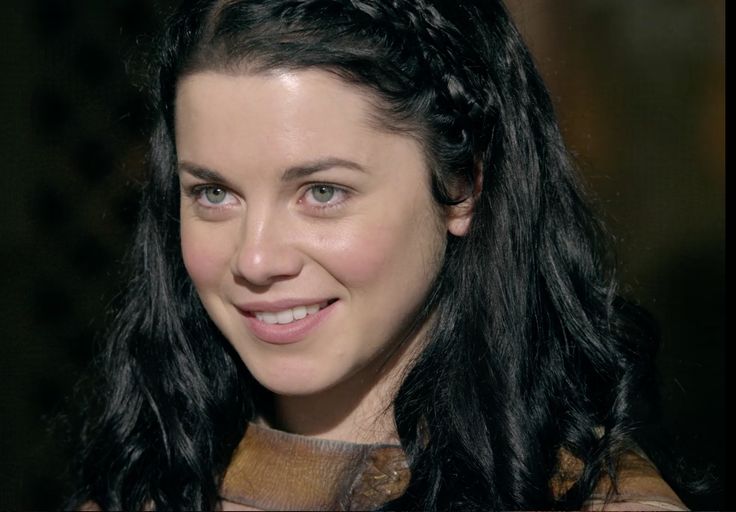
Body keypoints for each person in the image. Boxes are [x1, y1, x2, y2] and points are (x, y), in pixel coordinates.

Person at [65, 0, 689, 510]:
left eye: (322, 192)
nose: (255, 260)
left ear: (462, 186)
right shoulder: (139, 493)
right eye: (215, 192)